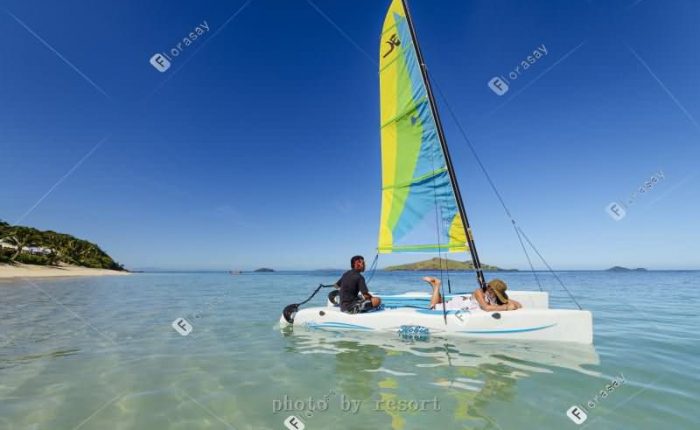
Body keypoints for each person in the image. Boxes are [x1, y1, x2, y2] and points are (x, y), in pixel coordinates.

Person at [425, 277, 521, 312]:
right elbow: (486, 308)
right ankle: (436, 285)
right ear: (489, 288)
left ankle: (436, 286)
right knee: (433, 308)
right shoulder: (479, 292)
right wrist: (506, 308)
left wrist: (510, 304)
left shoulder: (495, 296)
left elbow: (518, 304)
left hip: (464, 302)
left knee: (439, 304)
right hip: (460, 305)